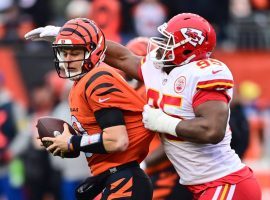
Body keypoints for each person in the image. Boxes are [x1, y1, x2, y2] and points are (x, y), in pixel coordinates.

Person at [24, 13, 262, 199]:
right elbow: (122, 57)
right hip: (198, 184)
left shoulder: (204, 73)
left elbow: (213, 130)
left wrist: (165, 122)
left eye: (169, 40)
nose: (162, 45)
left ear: (189, 47)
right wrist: (70, 37)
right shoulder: (159, 72)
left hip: (225, 182)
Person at [25, 18, 153, 200]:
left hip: (126, 179)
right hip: (113, 176)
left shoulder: (98, 79)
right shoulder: (80, 83)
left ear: (93, 52)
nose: (68, 60)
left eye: (75, 53)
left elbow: (117, 140)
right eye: (64, 53)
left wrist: (72, 142)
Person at [126, 36, 192, 200]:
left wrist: (144, 164)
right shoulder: (137, 92)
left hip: (166, 169)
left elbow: (175, 136)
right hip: (149, 170)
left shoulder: (154, 92)